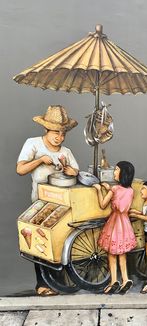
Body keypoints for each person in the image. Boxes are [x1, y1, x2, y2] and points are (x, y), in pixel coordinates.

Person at [17, 105, 79, 296]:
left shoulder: (66, 151)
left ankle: (60, 284)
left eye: (62, 133)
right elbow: (20, 169)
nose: (59, 137)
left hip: (63, 204)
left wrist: (71, 170)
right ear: (46, 130)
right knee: (40, 243)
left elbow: (76, 172)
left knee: (60, 242)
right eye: (55, 132)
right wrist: (40, 160)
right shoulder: (33, 144)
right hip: (40, 203)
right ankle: (42, 284)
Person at [93, 161, 136, 294]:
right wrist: (109, 189)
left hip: (114, 222)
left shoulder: (114, 189)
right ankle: (125, 279)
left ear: (123, 173)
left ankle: (113, 281)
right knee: (122, 252)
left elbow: (102, 205)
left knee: (112, 253)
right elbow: (121, 201)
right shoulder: (130, 190)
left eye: (116, 170)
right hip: (125, 223)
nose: (114, 172)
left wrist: (100, 190)